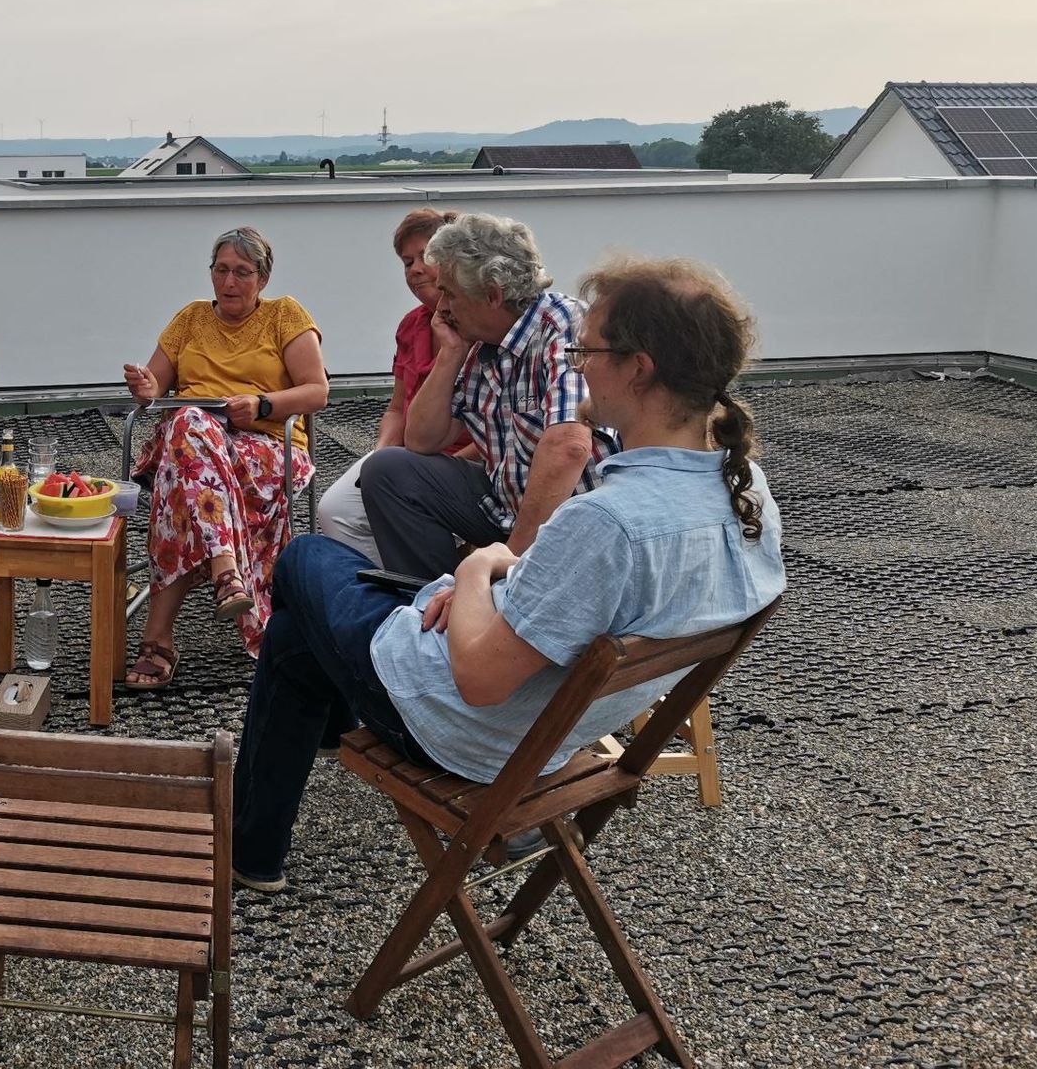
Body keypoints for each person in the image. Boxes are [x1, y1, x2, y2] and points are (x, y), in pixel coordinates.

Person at [232, 256, 785, 891]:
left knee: (303, 559)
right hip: (551, 728)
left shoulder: (610, 523)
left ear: (640, 368)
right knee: (297, 640)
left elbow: (480, 679)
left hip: (466, 732)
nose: (578, 362)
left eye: (589, 349)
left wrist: (476, 568)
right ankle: (257, 843)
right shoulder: (745, 495)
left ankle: (259, 837)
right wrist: (498, 581)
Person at [121, 226, 329, 687]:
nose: (229, 282)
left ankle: (159, 638)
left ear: (263, 278)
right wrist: (144, 387)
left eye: (241, 272)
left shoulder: (285, 316)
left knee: (180, 485)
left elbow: (317, 392)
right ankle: (226, 571)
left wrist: (262, 404)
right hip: (192, 446)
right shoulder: (191, 319)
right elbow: (154, 390)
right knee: (190, 427)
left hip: (265, 448)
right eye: (221, 270)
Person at [358, 211, 611, 582]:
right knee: (388, 470)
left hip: (573, 517)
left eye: (449, 293)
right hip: (504, 505)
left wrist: (510, 560)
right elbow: (422, 440)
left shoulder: (563, 325)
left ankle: (471, 609)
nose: (441, 307)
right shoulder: (480, 343)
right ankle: (426, 602)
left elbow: (569, 447)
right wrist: (450, 354)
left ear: (492, 294)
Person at [315, 208, 470, 562]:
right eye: (406, 261)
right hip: (407, 456)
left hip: (465, 464)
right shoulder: (410, 326)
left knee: (404, 505)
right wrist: (380, 453)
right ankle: (385, 593)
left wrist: (426, 473)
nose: (415, 269)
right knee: (334, 509)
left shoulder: (478, 326)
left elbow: (494, 434)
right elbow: (397, 408)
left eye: (425, 257)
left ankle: (423, 590)